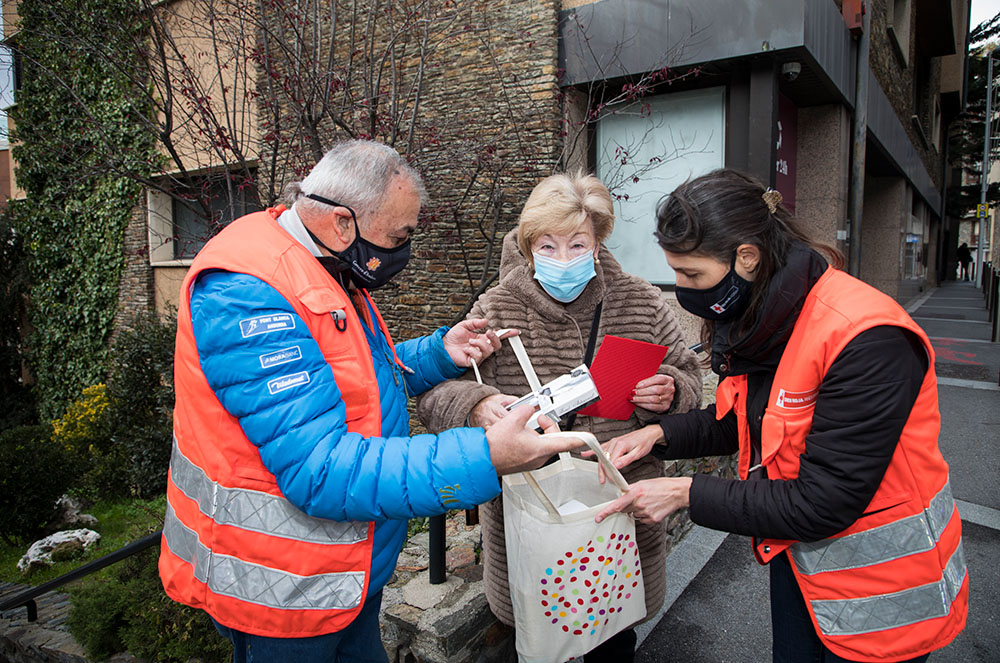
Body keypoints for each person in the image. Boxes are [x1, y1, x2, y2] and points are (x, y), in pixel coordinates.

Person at [158, 140, 586, 663]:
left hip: (344, 574)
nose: (404, 250)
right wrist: (485, 455)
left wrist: (436, 353)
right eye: (400, 235)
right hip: (284, 596)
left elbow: (348, 377)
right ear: (342, 222)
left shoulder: (322, 261)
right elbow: (320, 469)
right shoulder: (247, 293)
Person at [594, 169, 968, 663]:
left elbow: (824, 501)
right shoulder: (766, 314)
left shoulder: (865, 338)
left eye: (692, 275)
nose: (681, 289)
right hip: (804, 566)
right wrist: (659, 435)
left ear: (746, 257)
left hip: (884, 593)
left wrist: (684, 492)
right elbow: (744, 421)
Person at [416, 172, 702, 661]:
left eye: (577, 243)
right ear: (528, 248)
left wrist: (672, 390)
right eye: (547, 246)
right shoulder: (498, 306)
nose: (564, 259)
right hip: (534, 511)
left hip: (618, 507)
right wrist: (477, 404)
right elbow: (435, 394)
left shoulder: (641, 300)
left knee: (613, 634)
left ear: (598, 242)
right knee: (540, 636)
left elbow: (690, 377)